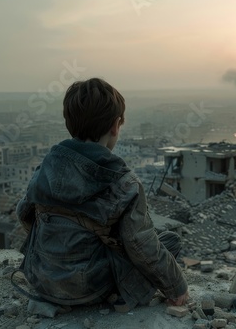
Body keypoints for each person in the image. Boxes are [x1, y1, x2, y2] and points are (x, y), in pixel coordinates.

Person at [15, 78, 189, 310]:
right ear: (116, 126)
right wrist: (177, 287)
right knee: (170, 241)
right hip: (89, 288)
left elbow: (24, 213)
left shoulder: (46, 167)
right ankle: (120, 298)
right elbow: (141, 245)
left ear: (70, 123)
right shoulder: (123, 182)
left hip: (41, 279)